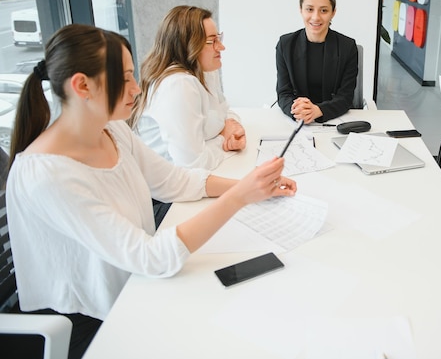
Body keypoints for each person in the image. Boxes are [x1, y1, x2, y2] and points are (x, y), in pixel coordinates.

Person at [6, 24, 296, 359]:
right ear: (82, 86)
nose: (137, 88)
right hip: (88, 325)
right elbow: (151, 257)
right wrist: (239, 197)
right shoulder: (47, 174)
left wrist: (254, 187)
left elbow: (173, 181)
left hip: (133, 287)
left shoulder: (111, 130)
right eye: (125, 78)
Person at [129, 5, 246, 170]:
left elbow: (225, 112)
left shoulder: (205, 70)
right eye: (212, 41)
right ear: (188, 46)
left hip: (196, 180)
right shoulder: (178, 85)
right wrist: (223, 138)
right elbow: (193, 164)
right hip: (169, 189)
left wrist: (232, 128)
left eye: (219, 38)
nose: (221, 47)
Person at [276, 0, 358, 124]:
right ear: (300, 10)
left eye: (324, 10)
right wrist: (298, 111)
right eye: (309, 9)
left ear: (333, 12)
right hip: (297, 121)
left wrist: (318, 111)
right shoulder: (285, 45)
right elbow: (284, 93)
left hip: (334, 120)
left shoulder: (347, 47)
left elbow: (346, 96)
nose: (315, 17)